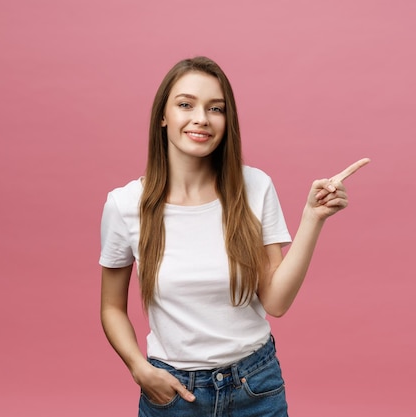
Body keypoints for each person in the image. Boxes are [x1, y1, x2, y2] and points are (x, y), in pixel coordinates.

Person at [99, 56, 369, 417]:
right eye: (185, 104)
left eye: (216, 108)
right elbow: (111, 307)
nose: (201, 118)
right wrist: (140, 369)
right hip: (173, 394)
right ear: (163, 116)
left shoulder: (254, 187)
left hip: (254, 387)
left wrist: (313, 217)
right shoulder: (125, 204)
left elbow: (276, 302)